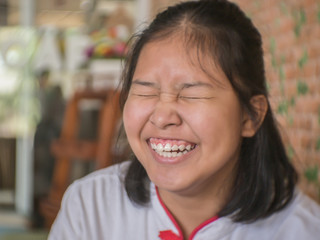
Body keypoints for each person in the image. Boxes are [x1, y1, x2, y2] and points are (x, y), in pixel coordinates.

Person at [48, 0, 320, 239]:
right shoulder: (90, 206)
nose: (163, 116)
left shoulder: (303, 230)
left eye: (193, 93)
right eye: (146, 90)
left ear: (250, 116)